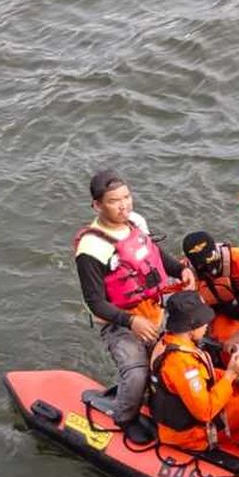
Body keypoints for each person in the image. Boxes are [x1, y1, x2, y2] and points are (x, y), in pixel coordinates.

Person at [73, 169, 195, 444]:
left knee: (169, 363)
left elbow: (153, 254)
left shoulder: (136, 222)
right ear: (97, 205)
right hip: (119, 322)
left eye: (127, 197)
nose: (124, 205)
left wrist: (180, 269)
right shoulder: (91, 249)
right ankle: (125, 418)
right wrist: (131, 322)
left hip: (154, 310)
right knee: (137, 371)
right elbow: (95, 302)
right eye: (115, 201)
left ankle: (158, 406)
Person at [149, 291, 239, 451]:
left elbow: (204, 374)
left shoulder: (170, 342)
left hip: (193, 416)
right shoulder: (181, 362)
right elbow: (206, 412)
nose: (206, 326)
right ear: (191, 327)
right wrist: (230, 375)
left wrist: (238, 379)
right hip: (194, 434)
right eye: (203, 323)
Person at [180, 230, 239, 373]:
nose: (210, 270)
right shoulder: (188, 277)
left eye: (212, 262)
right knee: (224, 341)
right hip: (224, 312)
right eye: (202, 266)